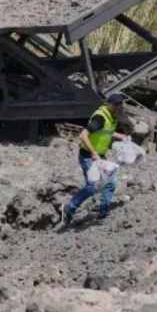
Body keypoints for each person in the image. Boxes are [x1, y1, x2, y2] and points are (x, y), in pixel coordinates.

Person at [61, 93, 131, 225]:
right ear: (111, 105)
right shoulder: (100, 117)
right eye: (119, 105)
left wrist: (121, 136)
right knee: (92, 186)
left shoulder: (111, 117)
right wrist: (93, 153)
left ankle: (103, 212)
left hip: (100, 156)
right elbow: (83, 135)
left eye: (122, 105)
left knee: (111, 183)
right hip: (88, 156)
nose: (121, 107)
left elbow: (105, 131)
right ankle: (70, 207)